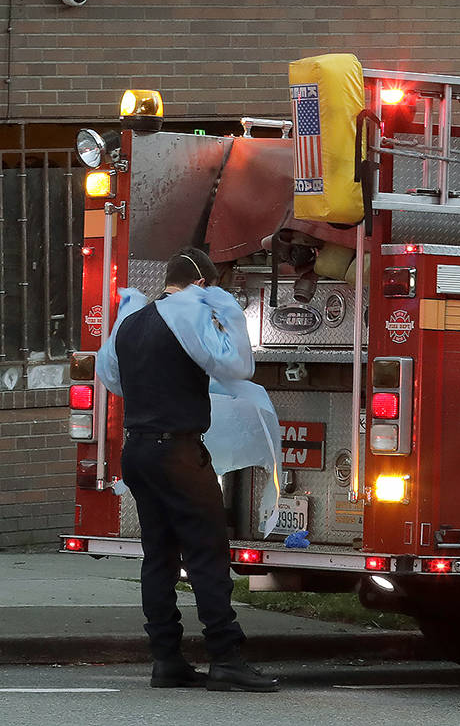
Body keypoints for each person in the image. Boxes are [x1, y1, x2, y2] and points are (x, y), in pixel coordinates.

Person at [97, 246, 279, 693]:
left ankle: (166, 659)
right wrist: (227, 311)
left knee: (158, 556)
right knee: (206, 554)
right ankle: (226, 658)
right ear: (202, 286)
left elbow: (113, 379)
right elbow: (238, 364)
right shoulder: (191, 312)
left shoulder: (131, 319)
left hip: (137, 451)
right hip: (177, 452)